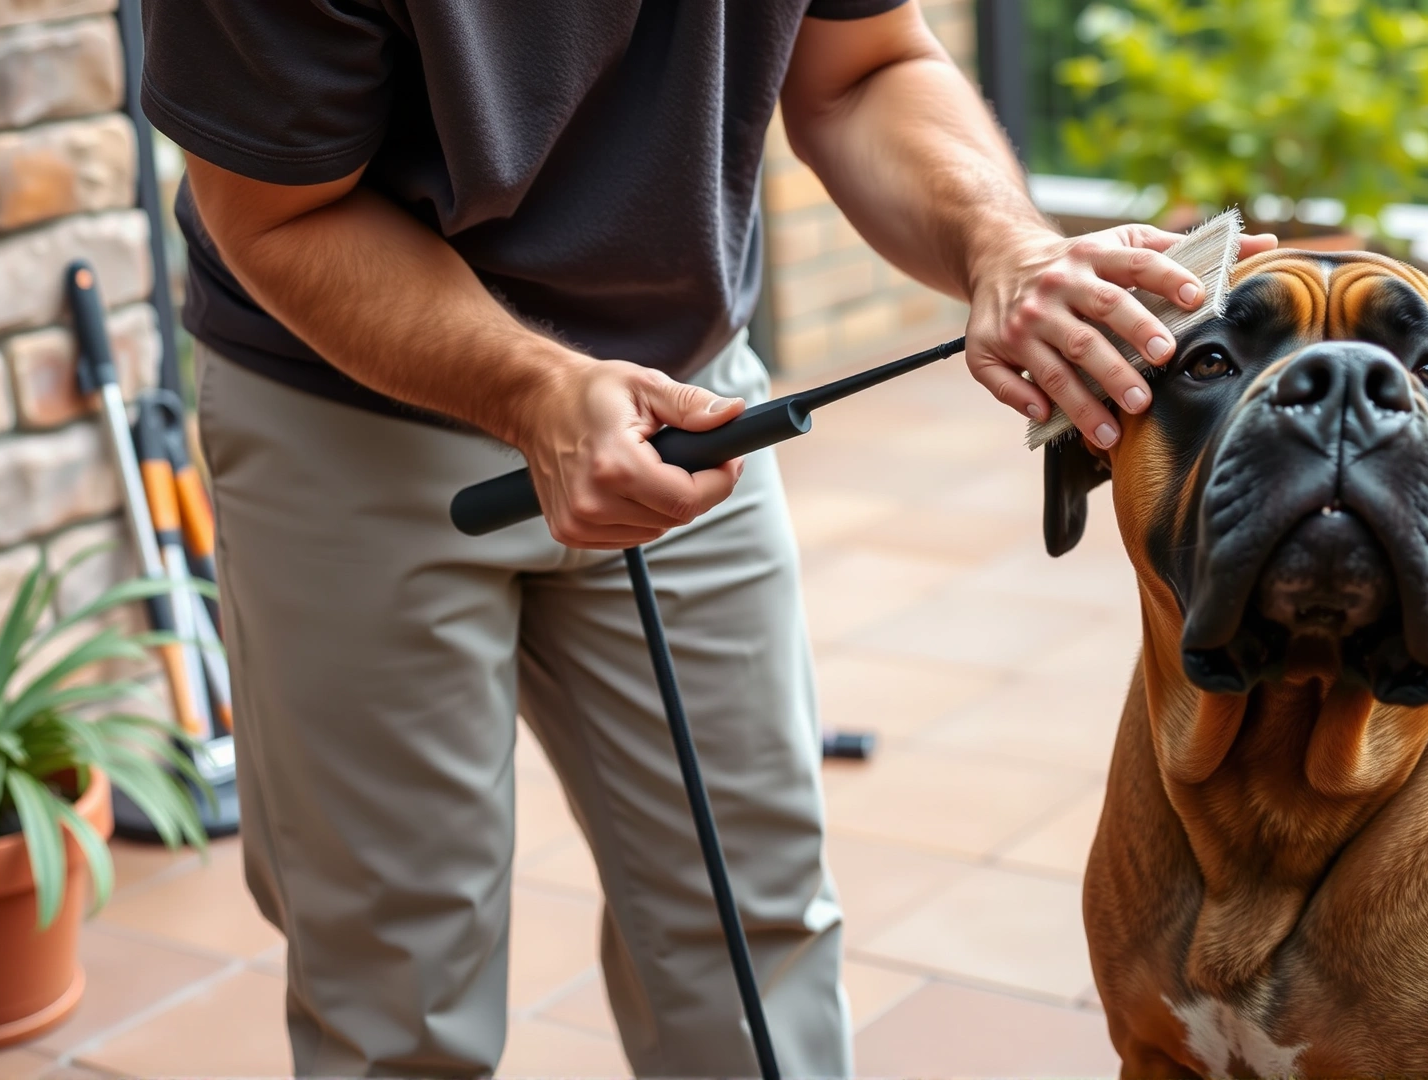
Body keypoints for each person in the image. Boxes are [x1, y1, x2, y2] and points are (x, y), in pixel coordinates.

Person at [142, 1, 1274, 1075]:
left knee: (753, 925)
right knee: (395, 989)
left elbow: (865, 65)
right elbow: (276, 213)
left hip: (691, 405)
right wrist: (539, 391)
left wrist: (1001, 240)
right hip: (347, 413)